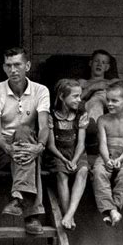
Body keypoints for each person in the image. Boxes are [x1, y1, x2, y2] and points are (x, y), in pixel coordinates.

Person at [0, 47, 49, 235]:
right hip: (2, 147)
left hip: (27, 144)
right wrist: (8, 148)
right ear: (4, 68)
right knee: (26, 147)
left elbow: (44, 126)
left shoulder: (40, 90)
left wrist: (40, 147)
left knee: (24, 131)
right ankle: (32, 215)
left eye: (17, 65)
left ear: (27, 66)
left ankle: (17, 198)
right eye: (8, 65)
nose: (13, 70)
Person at [92, 81, 123, 227]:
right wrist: (107, 159)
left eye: (114, 101)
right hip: (107, 154)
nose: (109, 104)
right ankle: (110, 209)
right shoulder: (103, 120)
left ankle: (113, 208)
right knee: (99, 172)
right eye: (108, 100)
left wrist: (121, 158)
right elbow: (103, 144)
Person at [45, 79, 89, 230]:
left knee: (83, 171)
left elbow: (81, 144)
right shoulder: (51, 116)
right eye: (75, 96)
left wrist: (75, 160)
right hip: (57, 154)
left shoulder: (81, 115)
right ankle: (67, 215)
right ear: (62, 97)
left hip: (76, 153)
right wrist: (64, 160)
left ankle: (70, 214)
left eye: (80, 96)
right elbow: (50, 145)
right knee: (62, 175)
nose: (79, 99)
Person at [79, 49, 119, 124]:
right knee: (96, 102)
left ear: (107, 67)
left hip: (112, 101)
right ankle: (95, 129)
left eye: (103, 63)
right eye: (96, 61)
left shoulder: (112, 81)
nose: (99, 64)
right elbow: (74, 100)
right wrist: (91, 88)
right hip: (95, 104)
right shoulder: (83, 83)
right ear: (90, 63)